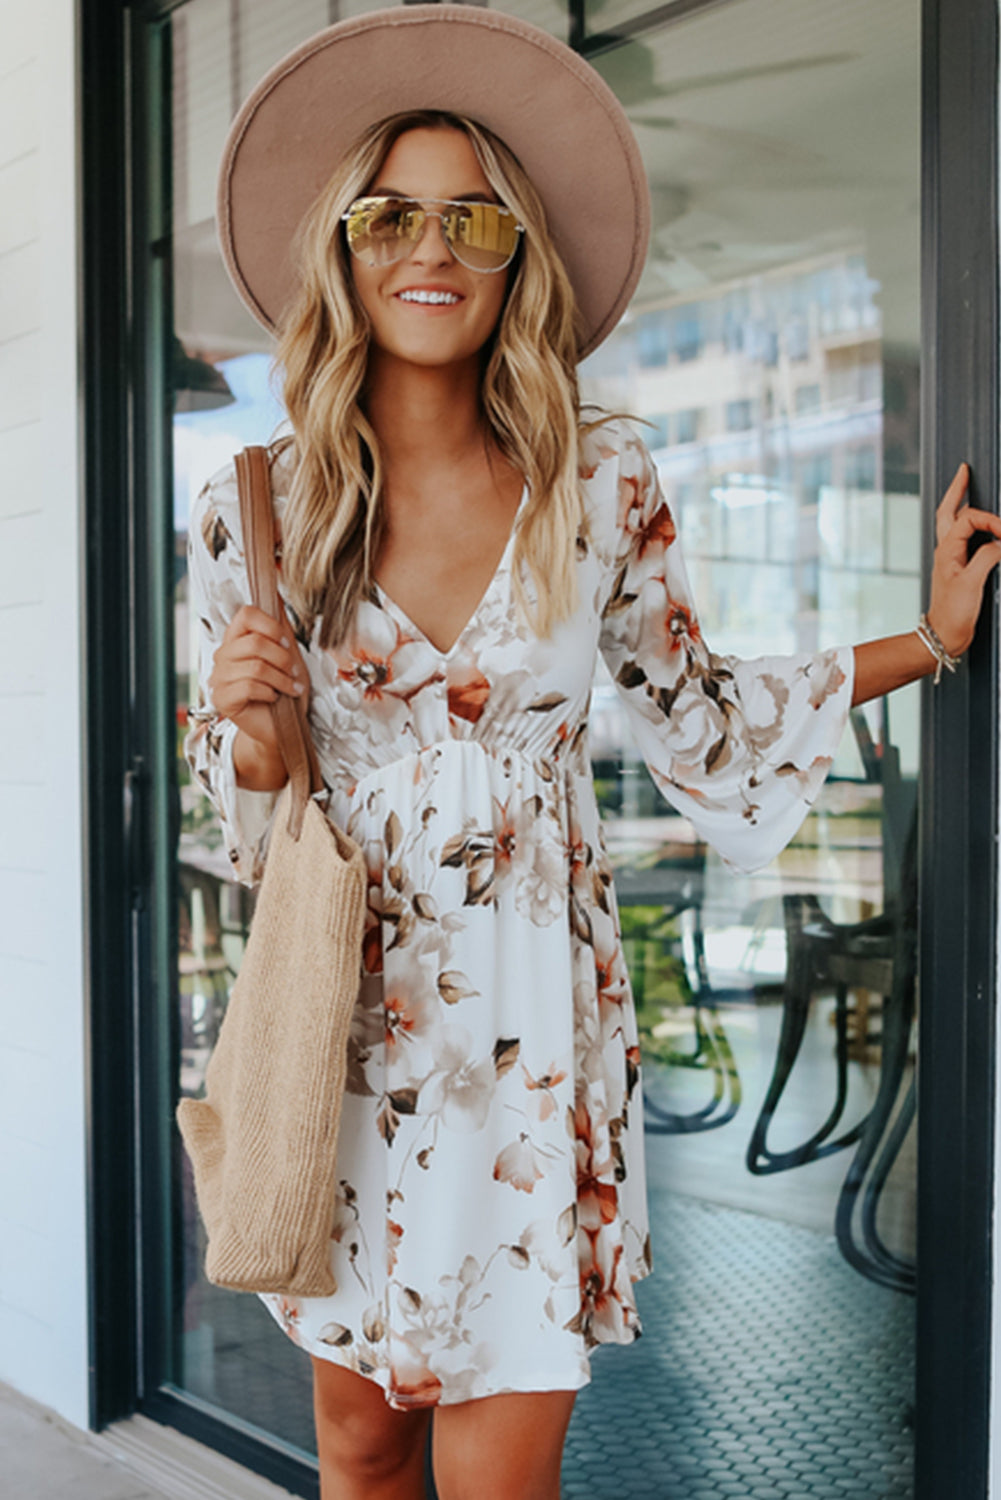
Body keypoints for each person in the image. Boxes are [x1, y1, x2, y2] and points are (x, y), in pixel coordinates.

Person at [183, 9, 1001, 1499]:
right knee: (360, 1452)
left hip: (527, 1044)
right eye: (390, 216)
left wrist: (929, 641)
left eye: (471, 219)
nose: (429, 248)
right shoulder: (257, 511)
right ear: (344, 252)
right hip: (342, 1036)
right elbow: (246, 820)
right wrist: (247, 737)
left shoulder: (601, 475)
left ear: (515, 258)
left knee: (504, 1473)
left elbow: (699, 713)